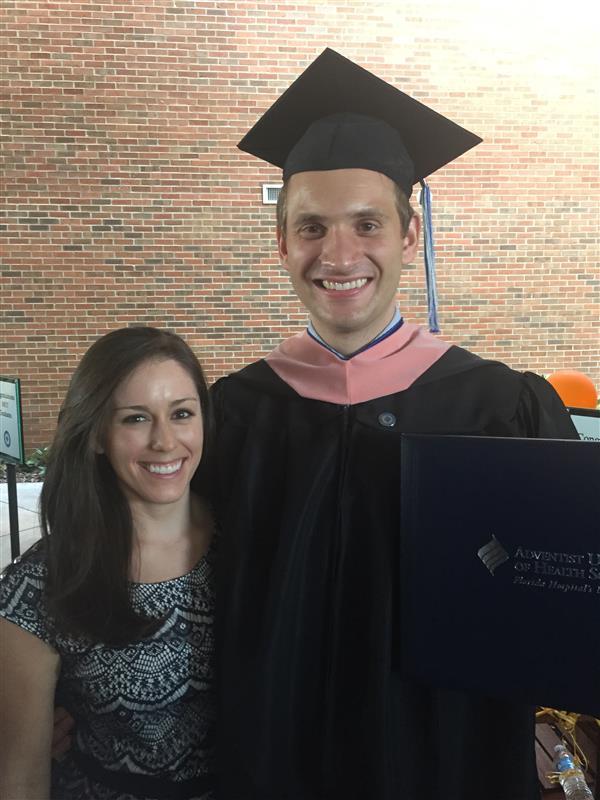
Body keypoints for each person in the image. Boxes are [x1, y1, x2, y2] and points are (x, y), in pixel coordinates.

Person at [205, 49, 579, 799]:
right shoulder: (234, 416)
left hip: (451, 757)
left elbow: (565, 601)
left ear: (408, 237)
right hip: (276, 758)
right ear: (281, 243)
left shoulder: (500, 408)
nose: (338, 254)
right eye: (310, 227)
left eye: (366, 224)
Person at [0, 327, 216, 800]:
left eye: (181, 413)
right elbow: (20, 778)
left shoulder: (252, 545)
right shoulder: (41, 584)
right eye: (135, 419)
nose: (164, 441)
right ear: (97, 435)